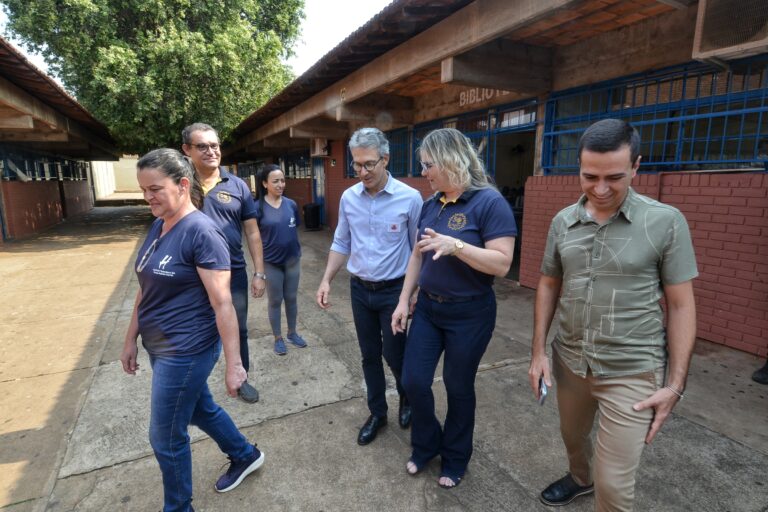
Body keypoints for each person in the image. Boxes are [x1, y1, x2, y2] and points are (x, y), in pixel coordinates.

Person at [528, 119, 698, 510]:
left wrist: (675, 385)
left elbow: (681, 304)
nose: (601, 189)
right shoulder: (563, 223)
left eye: (615, 177)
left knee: (615, 488)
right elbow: (549, 284)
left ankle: (597, 486)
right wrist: (538, 353)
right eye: (589, 176)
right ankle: (579, 478)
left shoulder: (665, 222)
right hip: (570, 361)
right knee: (573, 438)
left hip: (632, 368)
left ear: (636, 167)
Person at [120, 149, 264, 512]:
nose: (148, 197)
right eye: (143, 190)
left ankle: (179, 507)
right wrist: (130, 338)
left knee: (166, 438)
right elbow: (145, 287)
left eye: (155, 188)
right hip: (158, 345)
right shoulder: (159, 224)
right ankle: (245, 455)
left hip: (185, 350)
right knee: (200, 409)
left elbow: (223, 303)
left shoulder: (202, 232)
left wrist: (235, 365)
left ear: (183, 185)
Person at [391, 128, 517, 489]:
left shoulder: (488, 203)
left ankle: (456, 456)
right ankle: (426, 444)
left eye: (428, 165)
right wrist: (403, 300)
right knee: (413, 379)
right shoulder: (432, 205)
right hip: (429, 309)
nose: (425, 172)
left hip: (471, 314)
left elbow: (502, 263)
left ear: (451, 160)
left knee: (458, 385)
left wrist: (457, 246)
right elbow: (417, 256)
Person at [316, 127, 422, 445]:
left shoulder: (410, 198)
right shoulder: (349, 198)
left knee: (395, 353)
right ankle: (378, 412)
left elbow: (419, 249)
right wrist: (325, 280)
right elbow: (341, 241)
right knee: (368, 355)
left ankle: (406, 397)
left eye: (369, 164)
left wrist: (413, 292)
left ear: (385, 159)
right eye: (357, 165)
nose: (362, 172)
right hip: (360, 290)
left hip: (394, 291)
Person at [182, 123, 265, 403]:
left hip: (233, 273)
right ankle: (196, 383)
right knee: (195, 328)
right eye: (202, 146)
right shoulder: (181, 184)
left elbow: (252, 231)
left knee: (238, 328)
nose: (211, 151)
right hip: (192, 275)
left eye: (215, 145)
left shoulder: (237, 185)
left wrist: (259, 273)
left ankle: (241, 378)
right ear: (187, 150)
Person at [254, 164, 307, 355]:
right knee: (275, 301)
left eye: (282, 180)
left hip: (293, 261)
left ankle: (292, 333)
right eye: (275, 181)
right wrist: (258, 271)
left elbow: (295, 228)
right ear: (265, 183)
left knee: (291, 298)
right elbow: (254, 238)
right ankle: (278, 338)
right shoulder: (256, 207)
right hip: (271, 263)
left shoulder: (291, 204)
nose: (280, 184)